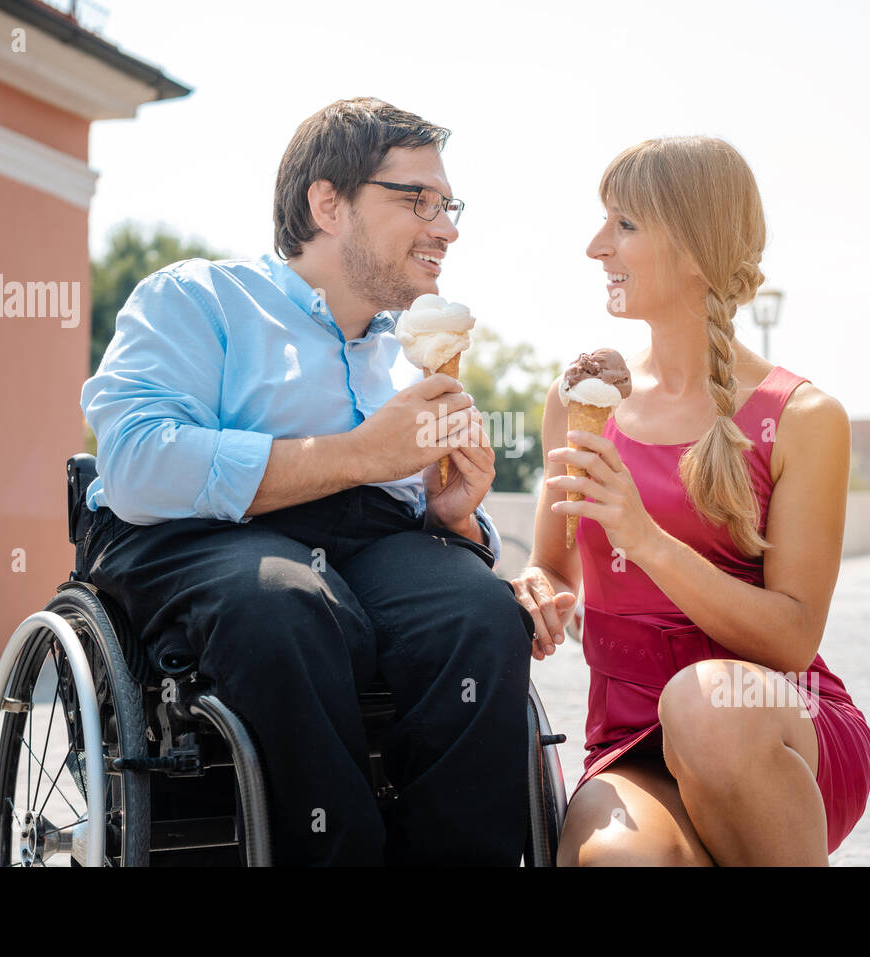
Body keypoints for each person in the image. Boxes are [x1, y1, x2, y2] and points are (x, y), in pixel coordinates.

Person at [79, 97, 534, 866]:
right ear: (329, 201)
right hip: (197, 536)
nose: (446, 226)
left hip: (367, 546)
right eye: (416, 199)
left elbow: (410, 511)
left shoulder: (412, 355)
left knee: (482, 613)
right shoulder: (196, 297)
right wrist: (357, 453)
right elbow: (137, 462)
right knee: (285, 602)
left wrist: (452, 518)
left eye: (449, 204)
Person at [512, 136, 870, 865]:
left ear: (693, 247)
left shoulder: (804, 418)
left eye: (624, 225)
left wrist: (644, 537)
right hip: (630, 740)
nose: (595, 247)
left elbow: (791, 638)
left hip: (767, 722)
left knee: (704, 705)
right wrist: (536, 591)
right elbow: (554, 566)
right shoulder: (577, 400)